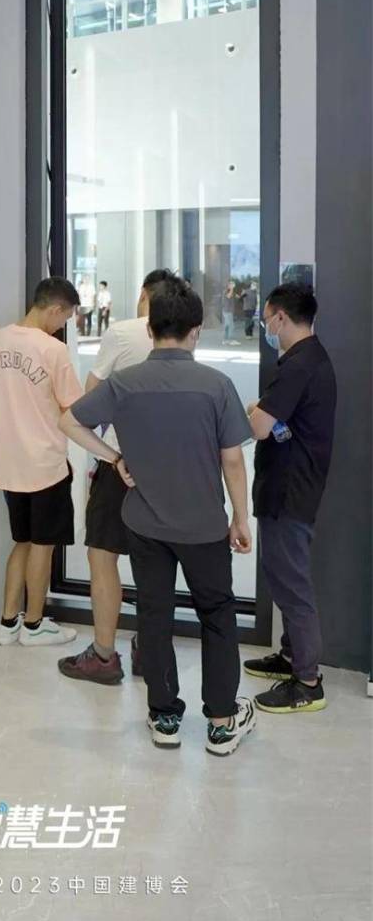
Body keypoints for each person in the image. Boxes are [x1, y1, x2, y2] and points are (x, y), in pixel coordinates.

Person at [60, 276, 257, 756]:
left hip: (145, 524)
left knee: (154, 614)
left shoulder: (125, 383)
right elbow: (233, 460)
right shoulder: (216, 386)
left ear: (150, 330)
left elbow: (69, 419)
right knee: (217, 615)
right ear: (196, 331)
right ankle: (221, 722)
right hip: (204, 526)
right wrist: (240, 517)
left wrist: (113, 457)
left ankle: (165, 717)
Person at [58, 269, 173, 686]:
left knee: (103, 555)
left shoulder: (122, 333)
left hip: (120, 463)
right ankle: (149, 649)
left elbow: (90, 401)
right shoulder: (182, 339)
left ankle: (104, 655)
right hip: (167, 467)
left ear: (144, 295)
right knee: (154, 560)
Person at [245, 283, 337, 714]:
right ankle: (289, 656)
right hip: (291, 487)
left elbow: (259, 425)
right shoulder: (311, 358)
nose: (266, 327)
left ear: (280, 317)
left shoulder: (299, 365)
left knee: (292, 584)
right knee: (282, 576)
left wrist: (254, 411)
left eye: (266, 319)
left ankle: (307, 681)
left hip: (289, 491)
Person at [0, 276, 84, 648]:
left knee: (22, 542)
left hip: (9, 464)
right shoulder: (53, 350)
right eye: (65, 318)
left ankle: (8, 623)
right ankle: (35, 624)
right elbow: (73, 408)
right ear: (55, 309)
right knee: (43, 545)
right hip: (45, 465)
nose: (62, 326)